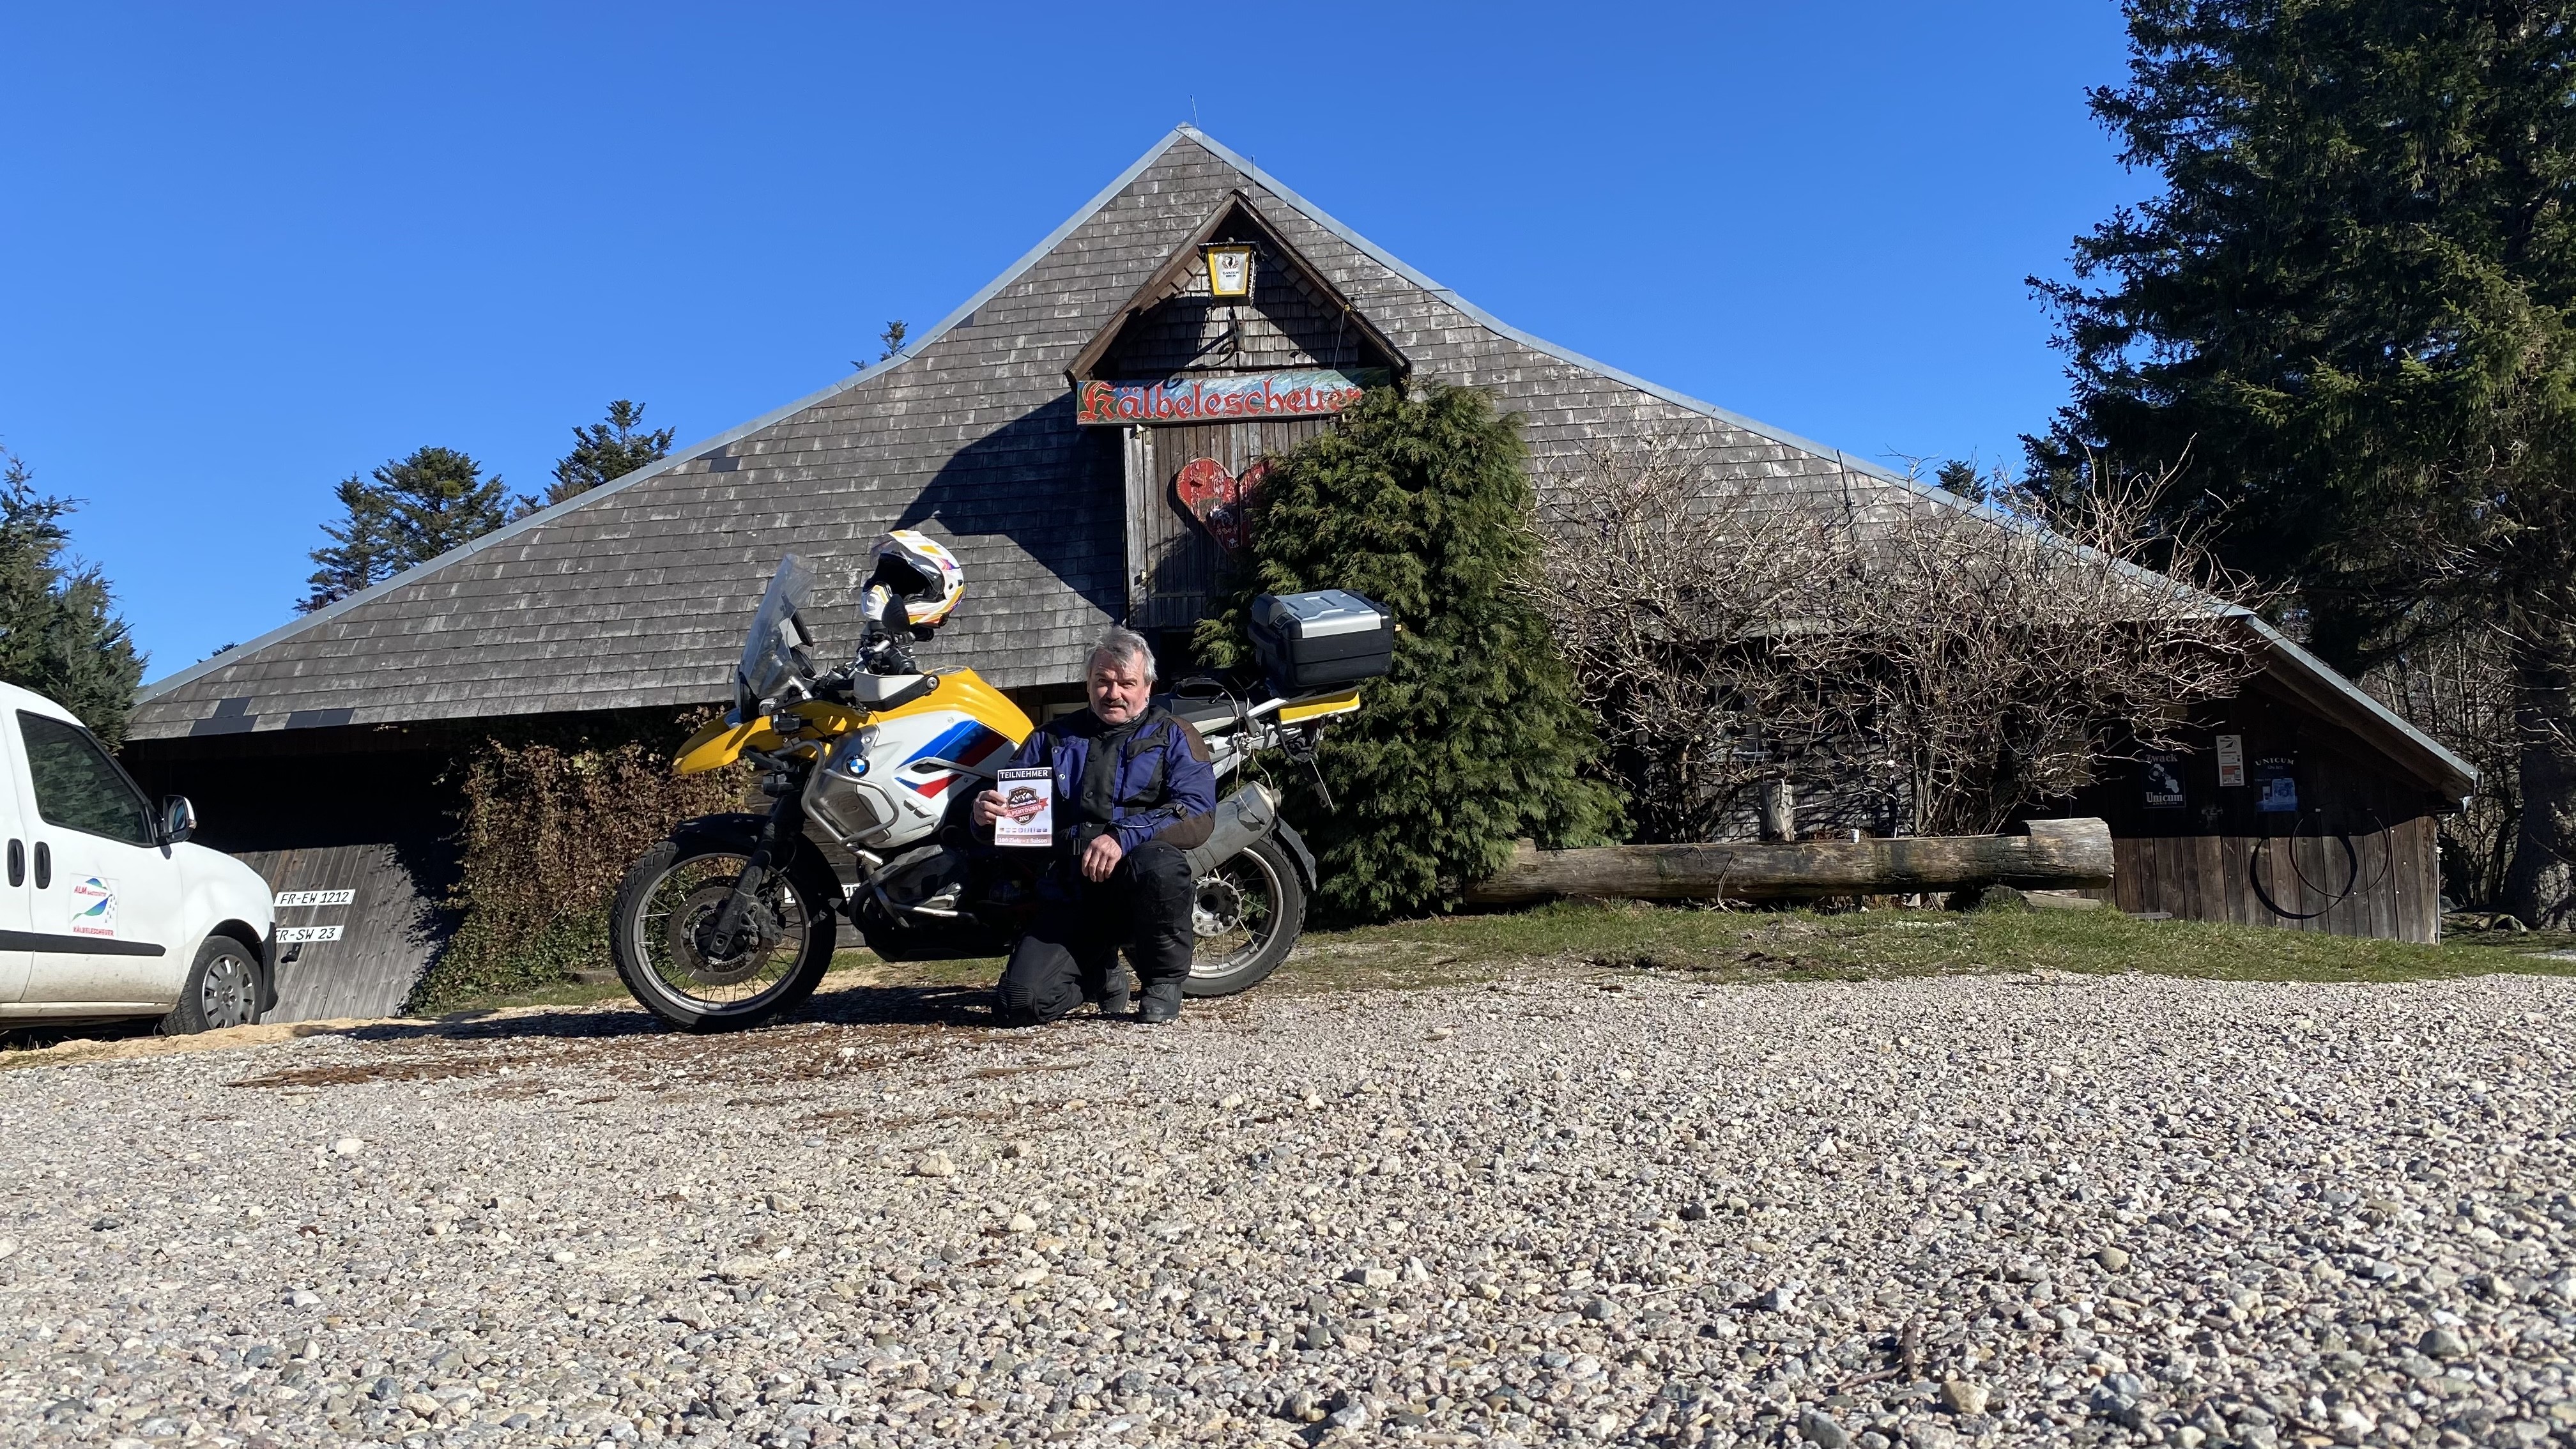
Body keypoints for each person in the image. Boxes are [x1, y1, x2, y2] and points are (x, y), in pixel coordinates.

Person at [973, 627, 1216, 1025]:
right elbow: (1013, 820)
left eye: (1126, 683)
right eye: (1103, 681)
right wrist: (984, 818)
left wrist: (1123, 835)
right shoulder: (1049, 739)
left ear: (1148, 688)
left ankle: (1162, 981)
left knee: (1162, 867)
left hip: (1139, 892)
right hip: (1070, 893)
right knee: (1018, 1003)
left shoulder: (1175, 734)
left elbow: (1198, 811)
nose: (1113, 693)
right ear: (1088, 684)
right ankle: (1100, 973)